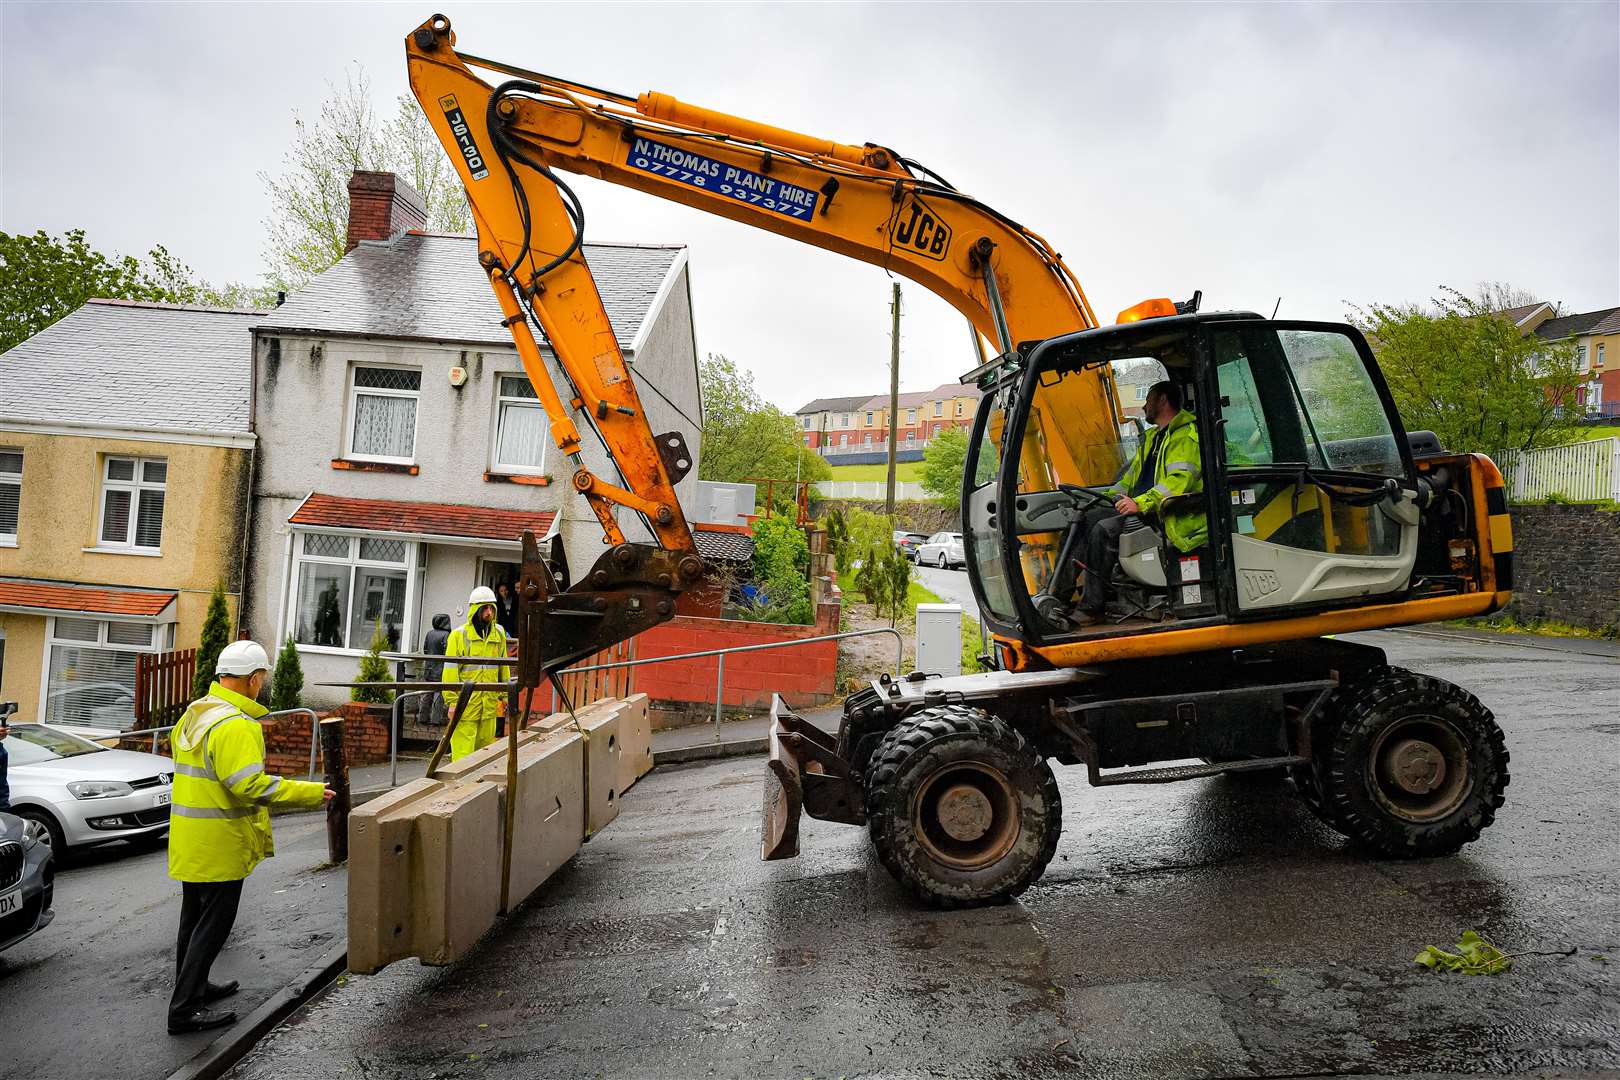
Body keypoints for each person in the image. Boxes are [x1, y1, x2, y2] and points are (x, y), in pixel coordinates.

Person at [167, 641, 333, 1035]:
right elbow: (250, 785)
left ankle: (192, 987)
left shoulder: (197, 713)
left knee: (193, 920)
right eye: (263, 678)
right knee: (214, 925)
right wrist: (309, 792)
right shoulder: (235, 725)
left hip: (192, 839)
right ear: (254, 679)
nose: (263, 685)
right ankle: (184, 1009)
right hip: (221, 839)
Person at [1038, 380, 1206, 628]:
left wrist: (1140, 503)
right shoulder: (1153, 438)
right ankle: (1056, 597)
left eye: (1148, 400)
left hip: (1167, 516)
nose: (1144, 406)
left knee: (1103, 531)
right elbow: (1128, 480)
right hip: (1142, 510)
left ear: (1162, 401)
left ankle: (1092, 607)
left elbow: (1179, 482)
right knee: (1083, 520)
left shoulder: (1185, 437)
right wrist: (1101, 498)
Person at [442, 586, 510, 761]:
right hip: (465, 707)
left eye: (491, 608)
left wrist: (504, 696)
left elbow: (503, 666)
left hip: (488, 707)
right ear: (475, 610)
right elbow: (450, 671)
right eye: (485, 609)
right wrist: (451, 702)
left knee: (484, 758)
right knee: (463, 757)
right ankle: (460, 789)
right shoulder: (458, 636)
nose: (489, 613)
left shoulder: (499, 633)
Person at [421, 614, 453, 727]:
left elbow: (425, 649)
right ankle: (435, 719)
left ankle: (423, 717)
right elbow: (448, 652)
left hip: (428, 667)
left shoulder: (429, 634)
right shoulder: (447, 635)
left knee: (427, 693)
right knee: (439, 695)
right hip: (441, 669)